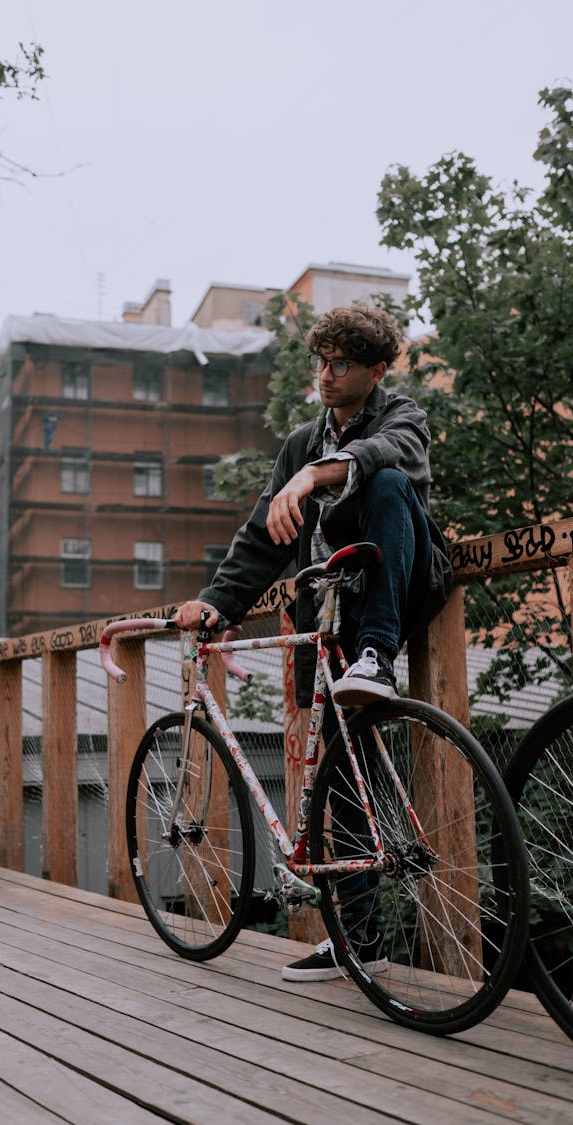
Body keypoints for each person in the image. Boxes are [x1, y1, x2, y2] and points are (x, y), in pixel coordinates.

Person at [174, 303, 452, 982]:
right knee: (343, 777)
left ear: (377, 370)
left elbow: (387, 456)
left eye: (342, 364)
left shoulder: (401, 413)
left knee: (384, 481)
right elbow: (262, 535)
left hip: (393, 593)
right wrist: (216, 601)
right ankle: (358, 939)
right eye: (319, 362)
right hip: (328, 618)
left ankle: (378, 657)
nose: (325, 376)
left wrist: (317, 474)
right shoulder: (301, 439)